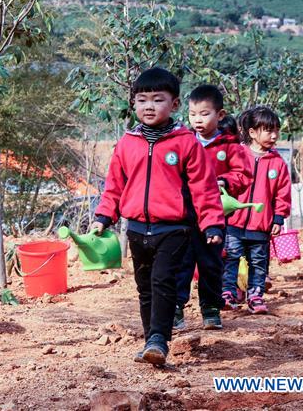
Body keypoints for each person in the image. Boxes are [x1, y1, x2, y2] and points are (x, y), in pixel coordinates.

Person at [93, 68, 225, 365]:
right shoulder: (127, 142)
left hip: (174, 228)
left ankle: (158, 340)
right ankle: (150, 340)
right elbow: (115, 185)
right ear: (133, 104)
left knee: (163, 282)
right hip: (137, 229)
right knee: (145, 287)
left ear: (174, 104)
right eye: (142, 100)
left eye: (157, 99)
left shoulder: (186, 142)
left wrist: (212, 223)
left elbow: (204, 187)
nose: (149, 106)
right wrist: (103, 216)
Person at [174, 85, 252, 332]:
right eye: (193, 114)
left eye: (204, 114)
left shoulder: (230, 146)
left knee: (211, 263)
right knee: (181, 263)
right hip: (184, 215)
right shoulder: (183, 142)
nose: (198, 120)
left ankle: (210, 309)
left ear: (220, 115)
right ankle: (176, 309)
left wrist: (224, 181)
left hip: (214, 217)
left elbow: (243, 175)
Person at [222, 106, 292, 313]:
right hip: (233, 222)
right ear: (252, 132)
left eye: (276, 130)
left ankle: (255, 296)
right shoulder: (236, 154)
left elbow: (282, 193)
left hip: (261, 225)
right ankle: (228, 293)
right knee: (230, 258)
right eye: (268, 131)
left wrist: (278, 218)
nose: (274, 135)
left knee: (258, 263)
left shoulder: (278, 163)